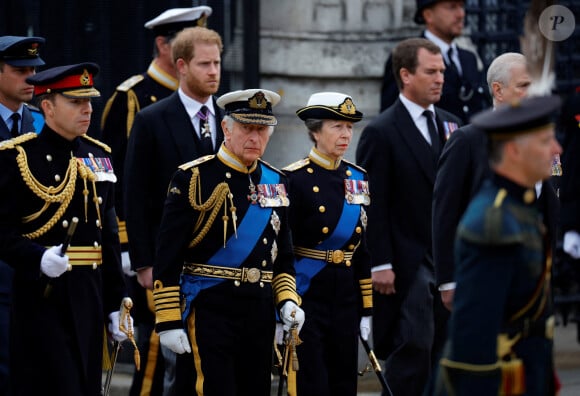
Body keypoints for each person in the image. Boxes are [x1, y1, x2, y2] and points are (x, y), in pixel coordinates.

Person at [152, 88, 305, 395]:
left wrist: (287, 300)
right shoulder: (193, 178)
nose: (255, 138)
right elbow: (168, 256)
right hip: (210, 310)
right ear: (226, 128)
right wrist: (168, 320)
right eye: (247, 128)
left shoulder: (277, 183)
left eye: (262, 130)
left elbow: (284, 255)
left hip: (259, 313)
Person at [100, 6, 213, 396]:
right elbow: (120, 182)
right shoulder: (134, 98)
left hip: (203, 255)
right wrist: (132, 249)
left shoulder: (212, 104)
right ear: (165, 46)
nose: (210, 66)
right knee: (153, 347)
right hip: (154, 246)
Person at [0, 62, 130, 395]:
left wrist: (115, 302)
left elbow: (109, 237)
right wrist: (36, 258)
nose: (87, 109)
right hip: (42, 297)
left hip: (89, 292)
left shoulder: (97, 156)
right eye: (75, 102)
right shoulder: (18, 157)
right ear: (47, 106)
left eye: (89, 101)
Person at [436, 95, 562, 395]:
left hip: (526, 367)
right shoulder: (494, 222)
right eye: (545, 141)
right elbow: (475, 333)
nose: (557, 149)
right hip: (498, 378)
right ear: (515, 150)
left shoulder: (521, 208)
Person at [356, 37, 461, 396]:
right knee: (414, 346)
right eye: (430, 72)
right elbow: (373, 203)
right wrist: (379, 261)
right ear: (405, 75)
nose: (439, 79)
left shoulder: (452, 126)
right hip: (407, 259)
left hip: (447, 255)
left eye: (442, 71)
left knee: (448, 350)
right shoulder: (381, 131)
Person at [124, 25, 224, 394]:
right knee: (171, 361)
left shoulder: (230, 117)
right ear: (181, 66)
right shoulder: (152, 119)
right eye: (204, 64)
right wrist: (144, 262)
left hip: (222, 262)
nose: (214, 72)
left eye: (217, 63)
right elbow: (134, 195)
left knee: (215, 361)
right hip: (171, 262)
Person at [283, 92, 372, 395]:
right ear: (315, 130)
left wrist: (367, 308)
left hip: (345, 295)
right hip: (308, 294)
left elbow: (362, 248)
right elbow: (281, 248)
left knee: (344, 381)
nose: (346, 134)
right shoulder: (293, 179)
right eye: (337, 126)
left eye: (349, 127)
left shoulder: (357, 178)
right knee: (311, 381)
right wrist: (282, 302)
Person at [0, 34, 45, 395]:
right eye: (19, 70)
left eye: (34, 69)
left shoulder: (43, 125)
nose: (30, 78)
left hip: (33, 271)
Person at [379, 0, 490, 123]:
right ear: (428, 15)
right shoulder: (407, 56)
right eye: (452, 7)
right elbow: (390, 119)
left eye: (461, 7)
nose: (461, 14)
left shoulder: (468, 58)